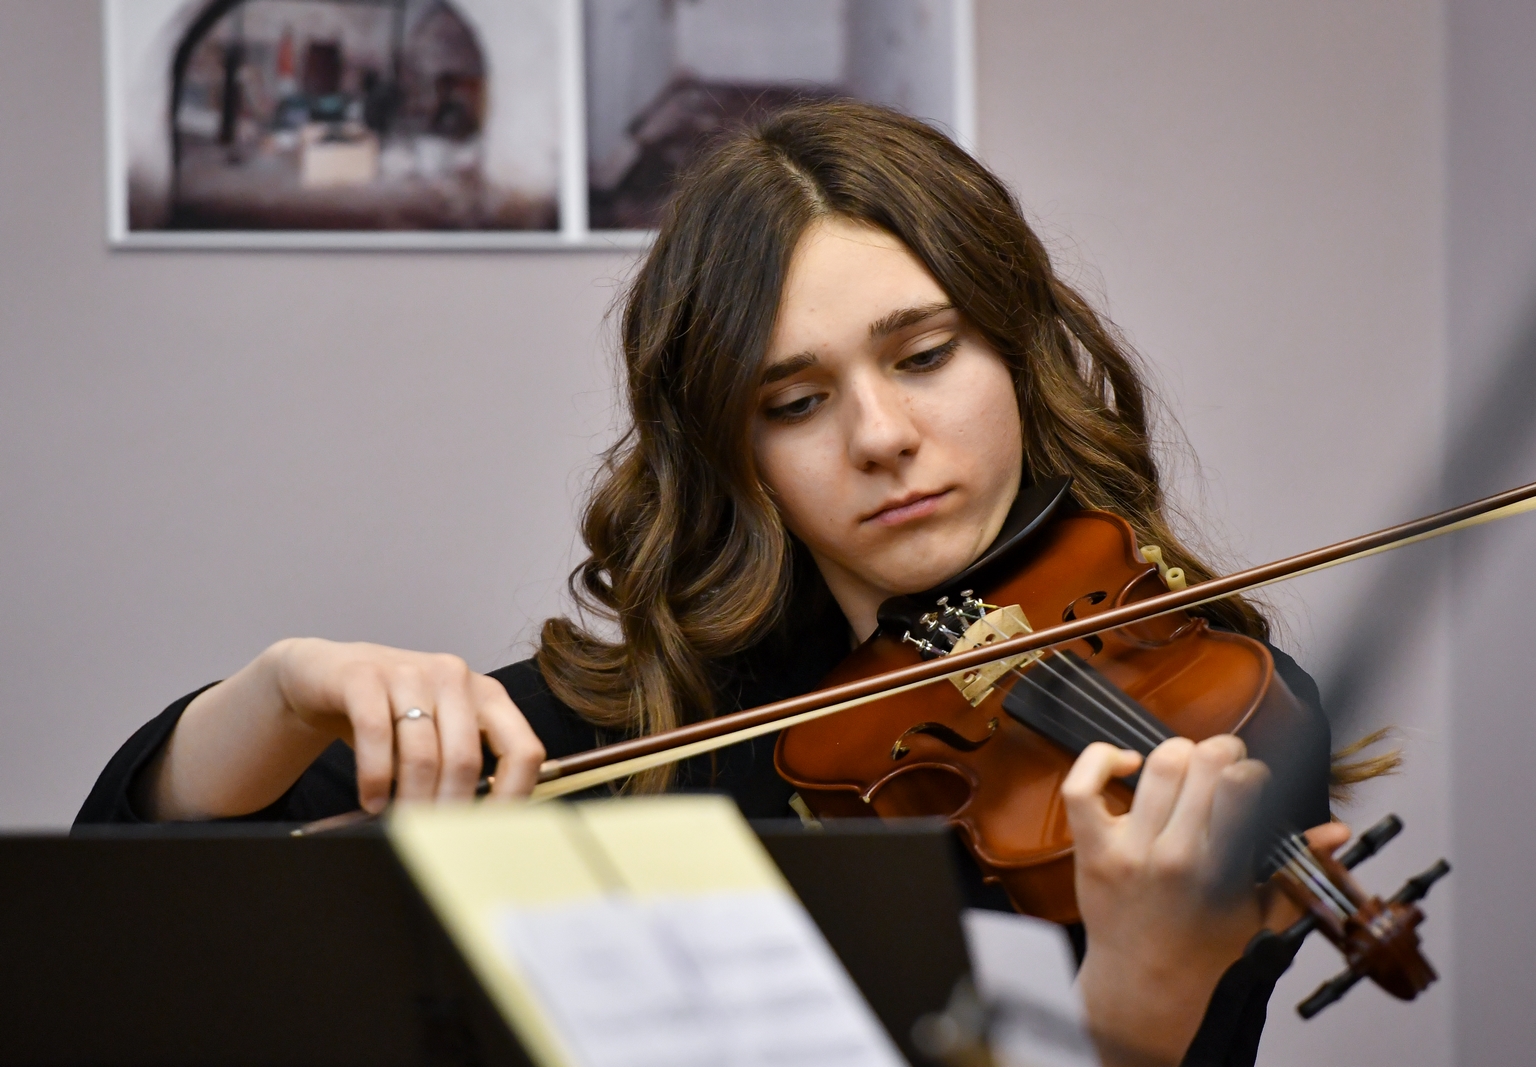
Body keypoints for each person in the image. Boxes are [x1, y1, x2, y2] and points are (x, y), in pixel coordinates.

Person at [80, 101, 1366, 1066]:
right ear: (731, 450)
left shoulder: (1221, 715)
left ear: (1018, 356)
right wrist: (275, 693)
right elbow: (125, 924)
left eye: (924, 354)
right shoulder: (632, 729)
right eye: (794, 401)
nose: (880, 436)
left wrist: (1141, 989)